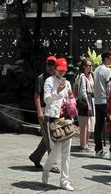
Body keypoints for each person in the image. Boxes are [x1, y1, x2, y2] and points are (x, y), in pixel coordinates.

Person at [42, 57, 75, 191]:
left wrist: (71, 99)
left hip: (66, 119)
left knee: (66, 153)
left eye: (64, 70)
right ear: (55, 69)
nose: (62, 73)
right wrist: (57, 92)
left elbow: (70, 98)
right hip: (53, 119)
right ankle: (46, 169)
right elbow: (47, 100)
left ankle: (64, 181)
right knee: (55, 151)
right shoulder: (49, 81)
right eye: (60, 70)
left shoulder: (67, 83)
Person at [29, 56, 60, 173]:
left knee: (48, 137)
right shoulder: (41, 78)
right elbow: (37, 95)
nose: (51, 67)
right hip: (44, 110)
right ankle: (52, 164)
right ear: (46, 65)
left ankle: (35, 156)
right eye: (49, 65)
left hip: (55, 110)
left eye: (53, 65)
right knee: (51, 138)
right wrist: (39, 111)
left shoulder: (57, 78)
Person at [93, 50, 111, 158]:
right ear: (106, 59)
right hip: (105, 100)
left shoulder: (96, 69)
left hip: (97, 100)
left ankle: (98, 149)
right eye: (110, 58)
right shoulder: (107, 71)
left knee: (98, 125)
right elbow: (109, 86)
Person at [75, 58, 94, 152]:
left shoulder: (89, 76)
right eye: (88, 65)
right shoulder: (82, 76)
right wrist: (88, 104)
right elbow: (83, 92)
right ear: (83, 66)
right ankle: (83, 145)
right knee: (84, 124)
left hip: (89, 99)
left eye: (91, 65)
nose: (90, 67)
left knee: (87, 124)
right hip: (85, 100)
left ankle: (85, 144)